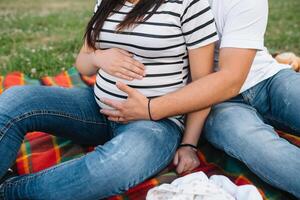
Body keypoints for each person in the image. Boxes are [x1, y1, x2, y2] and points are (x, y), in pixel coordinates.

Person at [0, 0, 218, 199]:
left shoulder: (188, 5)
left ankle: (9, 191)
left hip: (155, 124)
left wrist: (189, 144)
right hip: (97, 109)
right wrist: (98, 56)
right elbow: (83, 63)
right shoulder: (106, 2)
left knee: (116, 165)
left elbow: (203, 85)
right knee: (16, 99)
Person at [99, 0, 300, 198]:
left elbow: (232, 78)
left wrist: (153, 108)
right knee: (251, 140)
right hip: (212, 101)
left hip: (267, 78)